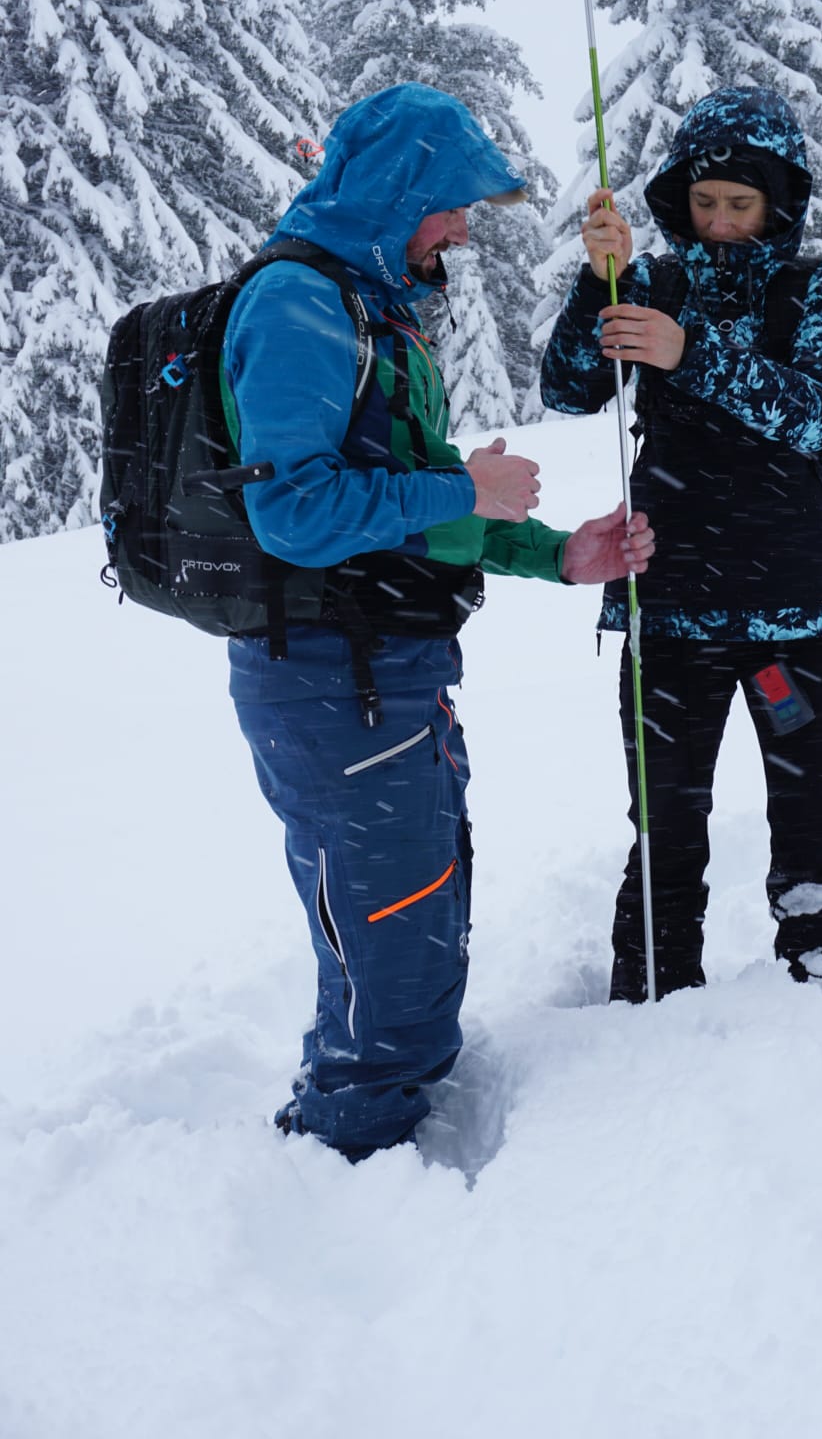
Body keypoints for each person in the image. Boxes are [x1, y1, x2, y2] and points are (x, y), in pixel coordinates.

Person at [222, 83, 654, 1160]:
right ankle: (350, 1169)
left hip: (387, 676)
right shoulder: (296, 306)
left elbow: (415, 506)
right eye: (453, 202)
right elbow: (294, 513)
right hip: (329, 679)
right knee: (394, 954)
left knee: (400, 926)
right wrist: (465, 491)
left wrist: (559, 552)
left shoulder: (374, 311)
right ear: (394, 191)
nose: (464, 226)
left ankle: (364, 1129)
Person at [540, 86, 822, 1001]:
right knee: (668, 821)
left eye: (741, 203)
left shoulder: (819, 291)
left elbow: (814, 416)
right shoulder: (652, 284)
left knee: (808, 814)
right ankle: (648, 999)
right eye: (704, 201)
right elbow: (569, 388)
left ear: (779, 203)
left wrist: (692, 356)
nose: (720, 222)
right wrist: (594, 283)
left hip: (795, 616)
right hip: (670, 606)